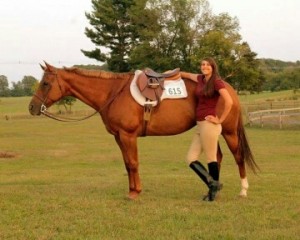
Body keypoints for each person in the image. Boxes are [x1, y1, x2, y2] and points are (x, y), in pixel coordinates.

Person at [181, 57, 233, 201]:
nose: (204, 67)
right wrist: (170, 73)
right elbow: (185, 75)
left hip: (210, 125)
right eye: (202, 64)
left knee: (211, 158)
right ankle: (213, 184)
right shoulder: (200, 79)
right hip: (200, 125)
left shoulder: (216, 82)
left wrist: (220, 119)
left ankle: (212, 194)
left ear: (213, 67)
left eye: (207, 65)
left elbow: (229, 101)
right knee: (191, 158)